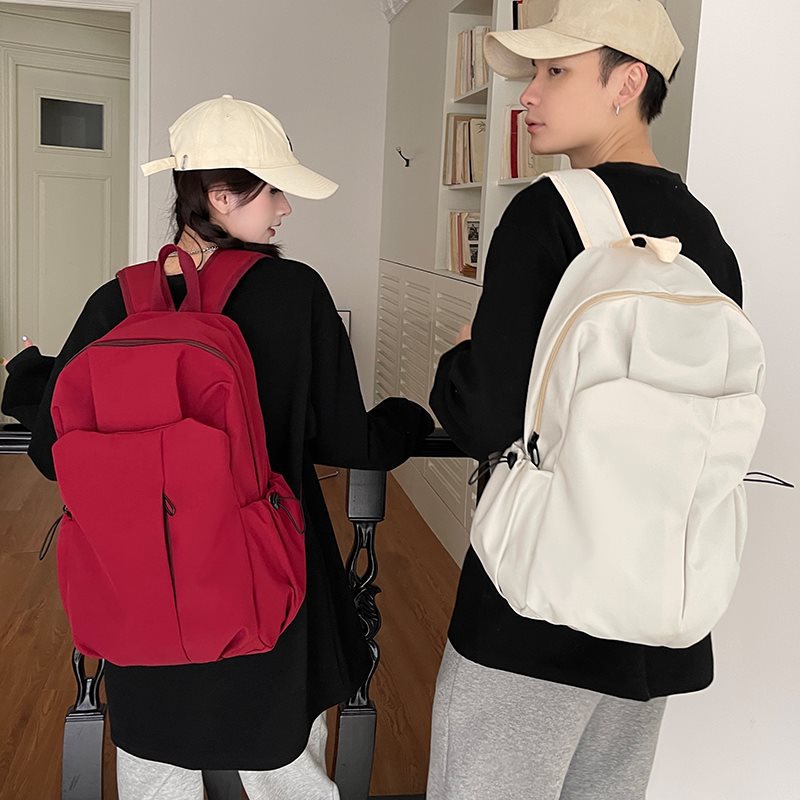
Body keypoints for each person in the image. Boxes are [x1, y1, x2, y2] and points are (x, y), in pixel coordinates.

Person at [2, 94, 433, 800]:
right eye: (273, 190)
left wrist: (27, 379)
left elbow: (53, 450)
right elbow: (350, 439)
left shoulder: (117, 301)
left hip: (142, 587)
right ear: (221, 195)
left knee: (155, 769)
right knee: (285, 773)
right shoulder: (295, 294)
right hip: (265, 578)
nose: (285, 208)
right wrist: (409, 419)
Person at [426, 2, 742, 798]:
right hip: (655, 615)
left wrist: (462, 355)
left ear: (627, 83)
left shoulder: (546, 212)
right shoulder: (706, 238)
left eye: (556, 71)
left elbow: (485, 417)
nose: (530, 95)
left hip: (536, 610)